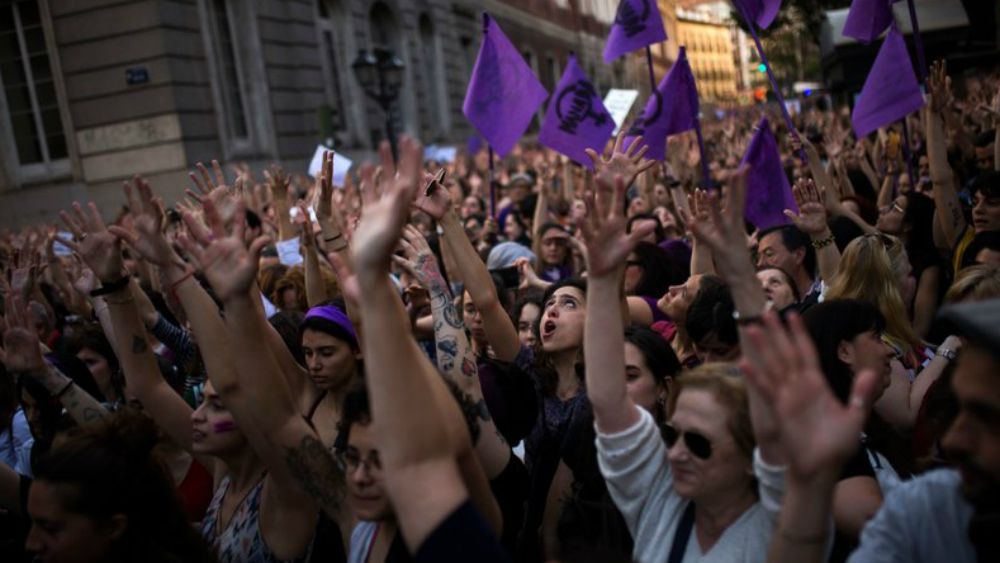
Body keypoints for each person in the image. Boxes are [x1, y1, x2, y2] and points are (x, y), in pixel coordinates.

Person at [753, 298, 1000, 563]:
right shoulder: (933, 504)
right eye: (876, 337)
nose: (953, 440)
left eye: (987, 417)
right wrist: (811, 486)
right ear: (844, 351)